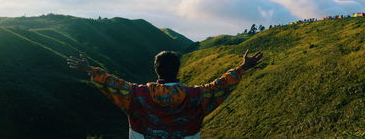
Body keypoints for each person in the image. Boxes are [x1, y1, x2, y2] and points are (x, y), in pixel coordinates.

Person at [67, 49, 263, 139]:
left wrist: (90, 70)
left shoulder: (137, 95)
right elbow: (219, 85)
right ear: (178, 69)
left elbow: (114, 84)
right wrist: (243, 67)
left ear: (156, 69)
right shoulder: (197, 96)